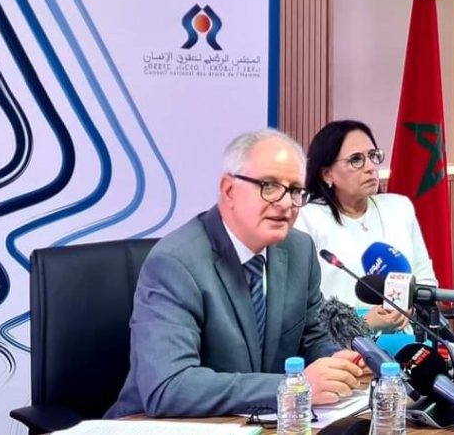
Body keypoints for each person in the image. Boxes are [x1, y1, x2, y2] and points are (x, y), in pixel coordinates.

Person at [107, 129, 366, 419]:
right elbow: (168, 387)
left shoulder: (298, 249)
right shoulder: (175, 263)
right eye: (269, 186)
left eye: (295, 190)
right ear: (229, 190)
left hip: (256, 423)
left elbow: (312, 337)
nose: (285, 203)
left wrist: (336, 361)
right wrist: (293, 387)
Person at [295, 120, 438, 333]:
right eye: (356, 160)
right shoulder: (306, 219)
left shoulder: (399, 207)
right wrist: (364, 323)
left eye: (373, 156)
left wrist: (412, 310)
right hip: (338, 342)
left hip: (408, 334)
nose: (371, 167)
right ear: (327, 174)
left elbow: (425, 278)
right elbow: (303, 307)